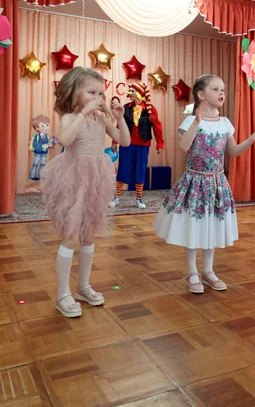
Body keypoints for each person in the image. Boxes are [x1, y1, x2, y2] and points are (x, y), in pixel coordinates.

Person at [153, 74, 255, 293]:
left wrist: (251, 140)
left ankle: (209, 271)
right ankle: (192, 271)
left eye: (222, 89)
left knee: (211, 224)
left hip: (216, 183)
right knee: (193, 225)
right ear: (201, 95)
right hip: (194, 181)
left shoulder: (225, 123)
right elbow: (184, 147)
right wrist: (196, 121)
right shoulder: (189, 121)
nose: (221, 93)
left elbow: (232, 151)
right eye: (215, 89)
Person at [41, 67, 130, 318]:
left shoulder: (101, 119)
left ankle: (83, 287)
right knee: (71, 235)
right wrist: (84, 113)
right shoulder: (70, 117)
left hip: (96, 178)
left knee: (89, 235)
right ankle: (62, 294)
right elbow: (66, 140)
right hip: (73, 178)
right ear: (74, 92)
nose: (97, 97)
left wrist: (119, 118)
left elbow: (124, 141)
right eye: (91, 92)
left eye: (100, 92)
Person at [110, 82, 164, 209]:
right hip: (126, 144)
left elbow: (157, 127)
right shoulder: (125, 107)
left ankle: (139, 198)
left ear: (139, 94)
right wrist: (114, 141)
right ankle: (117, 196)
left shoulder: (150, 109)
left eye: (132, 91)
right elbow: (118, 125)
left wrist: (160, 144)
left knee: (140, 170)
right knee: (123, 168)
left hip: (143, 145)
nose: (130, 94)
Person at [28, 115, 53, 180]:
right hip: (38, 153)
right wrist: (42, 146)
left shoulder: (47, 137)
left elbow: (48, 144)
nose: (46, 127)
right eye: (43, 126)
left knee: (43, 164)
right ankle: (32, 175)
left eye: (47, 125)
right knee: (35, 163)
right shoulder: (37, 136)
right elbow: (35, 145)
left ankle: (41, 176)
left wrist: (50, 144)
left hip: (44, 153)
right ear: (37, 128)